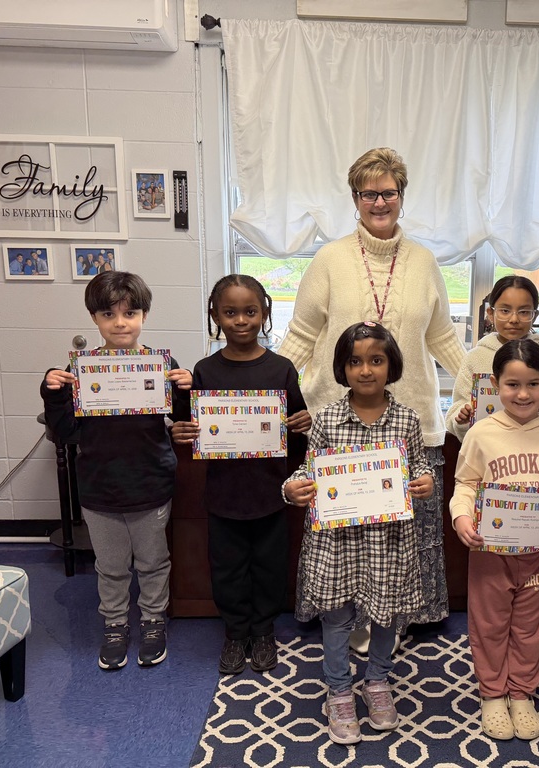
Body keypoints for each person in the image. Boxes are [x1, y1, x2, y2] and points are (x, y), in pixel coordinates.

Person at [278, 148, 465, 641]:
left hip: (410, 420)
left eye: (389, 192)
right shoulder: (329, 259)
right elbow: (300, 335)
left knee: (408, 530)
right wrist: (273, 391)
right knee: (347, 531)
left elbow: (442, 336)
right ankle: (347, 619)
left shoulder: (424, 261)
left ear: (401, 196)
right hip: (339, 420)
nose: (379, 202)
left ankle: (403, 616)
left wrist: (480, 388)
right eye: (369, 193)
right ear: (355, 198)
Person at [283, 321, 434, 745]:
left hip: (388, 540)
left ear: (392, 366)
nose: (365, 370)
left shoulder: (406, 419)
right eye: (354, 361)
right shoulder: (327, 418)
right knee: (337, 620)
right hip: (339, 541)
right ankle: (339, 690)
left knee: (387, 615)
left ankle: (379, 682)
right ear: (342, 368)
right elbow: (309, 471)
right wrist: (292, 487)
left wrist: (424, 481)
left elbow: (418, 465)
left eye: (376, 360)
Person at [41, 271, 192, 670]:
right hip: (99, 488)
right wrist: (52, 394)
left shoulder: (163, 364)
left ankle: (153, 620)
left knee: (154, 561)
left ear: (145, 315)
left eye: (131, 312)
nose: (120, 322)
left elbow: (182, 423)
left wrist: (184, 390)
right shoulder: (81, 372)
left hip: (150, 484)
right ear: (94, 319)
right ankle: (114, 623)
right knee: (110, 566)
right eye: (109, 313)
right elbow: (65, 432)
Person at [450, 339, 539, 741]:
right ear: (495, 384)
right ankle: (493, 694)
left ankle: (522, 692)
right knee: (490, 624)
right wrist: (461, 517)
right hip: (490, 552)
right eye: (512, 384)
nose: (523, 394)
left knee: (531, 627)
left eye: (533, 383)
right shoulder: (481, 433)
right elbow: (466, 484)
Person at [171, 275, 311, 677]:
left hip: (270, 494)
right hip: (224, 495)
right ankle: (235, 633)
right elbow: (191, 429)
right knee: (227, 567)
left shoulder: (282, 370)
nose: (240, 320)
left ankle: (263, 631)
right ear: (215, 316)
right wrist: (180, 431)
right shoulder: (205, 370)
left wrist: (302, 424)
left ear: (264, 313)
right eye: (230, 312)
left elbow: (296, 437)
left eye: (250, 311)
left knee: (269, 566)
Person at [446, 275, 539, 441]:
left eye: (523, 312)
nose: (514, 319)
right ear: (491, 313)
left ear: (534, 316)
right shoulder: (474, 358)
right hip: (488, 448)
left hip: (538, 448)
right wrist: (461, 417)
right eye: (505, 311)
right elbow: (455, 410)